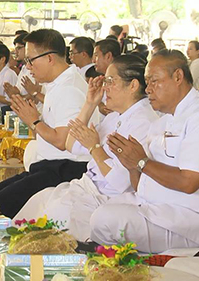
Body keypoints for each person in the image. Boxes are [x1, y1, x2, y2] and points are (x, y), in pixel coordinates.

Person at [14, 55, 158, 242]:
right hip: (85, 187)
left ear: (133, 85)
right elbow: (71, 144)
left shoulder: (143, 122)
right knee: (36, 204)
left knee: (50, 222)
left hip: (105, 198)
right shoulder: (117, 116)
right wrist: (90, 104)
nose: (105, 88)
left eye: (110, 81)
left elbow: (121, 183)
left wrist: (95, 148)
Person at [90, 49, 199, 253]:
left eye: (154, 81)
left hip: (189, 220)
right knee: (97, 213)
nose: (148, 89)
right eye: (146, 82)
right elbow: (141, 186)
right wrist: (130, 165)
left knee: (105, 220)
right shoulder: (163, 121)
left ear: (178, 77)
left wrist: (141, 162)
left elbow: (189, 182)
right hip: (155, 206)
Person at [0, 29, 97, 218]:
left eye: (30, 60)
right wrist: (32, 120)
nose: (27, 67)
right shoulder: (57, 84)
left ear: (50, 58)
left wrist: (34, 120)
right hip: (47, 165)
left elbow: (62, 141)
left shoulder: (69, 89)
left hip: (64, 169)